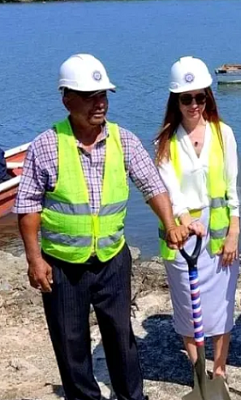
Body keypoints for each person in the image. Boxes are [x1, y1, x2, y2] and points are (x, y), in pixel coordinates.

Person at [14, 54, 188, 400]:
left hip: (112, 259)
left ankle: (131, 397)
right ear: (67, 99)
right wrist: (35, 259)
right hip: (63, 265)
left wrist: (170, 224)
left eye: (103, 95)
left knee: (121, 337)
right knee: (71, 343)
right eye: (89, 96)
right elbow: (28, 206)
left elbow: (152, 185)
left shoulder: (124, 140)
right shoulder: (47, 145)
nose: (100, 103)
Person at [155, 56, 241, 380]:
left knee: (221, 306)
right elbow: (169, 192)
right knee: (189, 309)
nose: (194, 105)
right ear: (175, 101)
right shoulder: (164, 143)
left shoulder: (224, 134)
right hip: (182, 236)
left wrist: (234, 232)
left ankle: (219, 370)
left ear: (208, 97)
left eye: (200, 97)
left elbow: (235, 187)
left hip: (219, 233)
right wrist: (182, 222)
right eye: (186, 98)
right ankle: (198, 371)